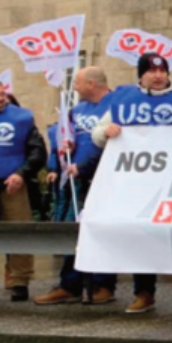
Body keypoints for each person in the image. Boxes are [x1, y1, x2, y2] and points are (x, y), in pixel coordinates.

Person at [93, 53, 172, 315]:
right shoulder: (122, 101)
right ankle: (143, 293)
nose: (158, 76)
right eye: (152, 71)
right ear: (141, 75)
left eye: (162, 71)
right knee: (140, 236)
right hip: (136, 183)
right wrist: (105, 132)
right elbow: (97, 133)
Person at [35, 68, 115, 307]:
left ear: (91, 84)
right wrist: (67, 145)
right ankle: (70, 285)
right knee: (73, 231)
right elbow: (69, 136)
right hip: (76, 180)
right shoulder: (78, 110)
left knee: (101, 232)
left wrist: (85, 166)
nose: (75, 87)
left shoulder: (116, 106)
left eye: (78, 82)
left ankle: (102, 284)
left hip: (104, 177)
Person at [0, 85, 45, 303]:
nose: (0, 99)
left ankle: (20, 281)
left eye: (2, 94)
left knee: (20, 230)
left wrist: (22, 173)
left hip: (12, 184)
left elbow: (38, 150)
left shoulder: (22, 118)